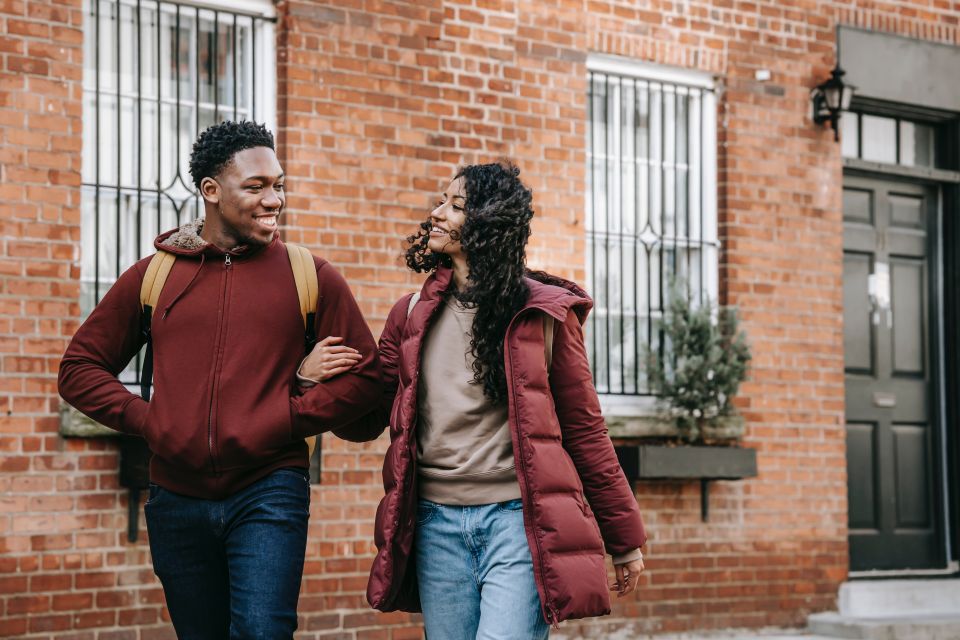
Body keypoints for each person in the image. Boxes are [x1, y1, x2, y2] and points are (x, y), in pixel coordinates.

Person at [58, 120, 382, 639]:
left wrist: (290, 415)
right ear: (211, 191)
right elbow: (79, 370)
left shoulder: (310, 276)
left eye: (278, 185)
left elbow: (369, 382)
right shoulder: (155, 276)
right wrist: (151, 421)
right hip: (174, 496)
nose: (273, 198)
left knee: (261, 630)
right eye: (255, 186)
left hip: (269, 489)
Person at [302, 161, 647, 638]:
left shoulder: (543, 315)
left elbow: (586, 431)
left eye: (456, 205)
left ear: (489, 223)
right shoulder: (409, 314)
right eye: (442, 201)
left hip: (518, 525)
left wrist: (624, 539)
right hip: (435, 525)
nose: (438, 213)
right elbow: (369, 415)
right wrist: (309, 382)